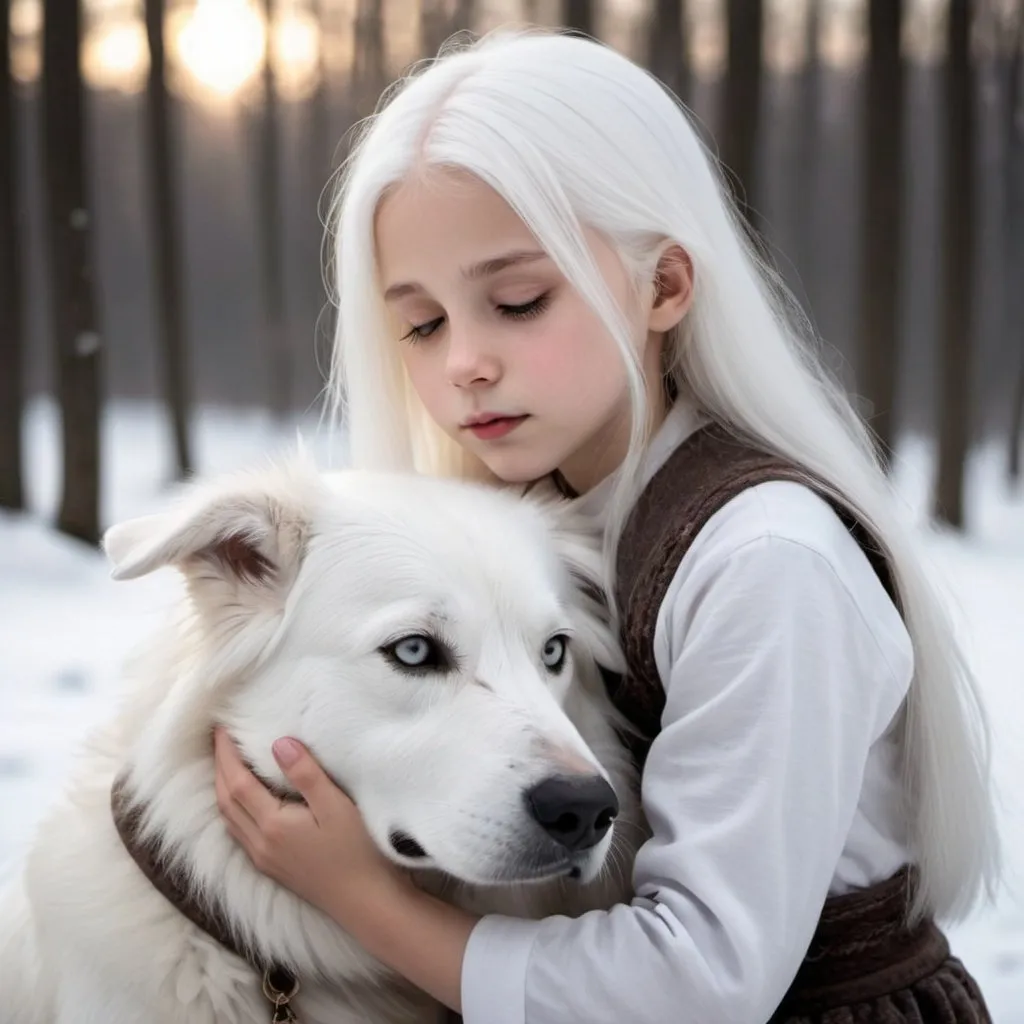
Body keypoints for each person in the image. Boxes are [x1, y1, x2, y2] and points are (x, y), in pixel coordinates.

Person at [212, 27, 998, 1023]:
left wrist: (360, 899)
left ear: (664, 284)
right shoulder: (533, 523)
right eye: (421, 322)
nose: (464, 363)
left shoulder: (765, 562)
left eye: (516, 300)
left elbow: (699, 981)